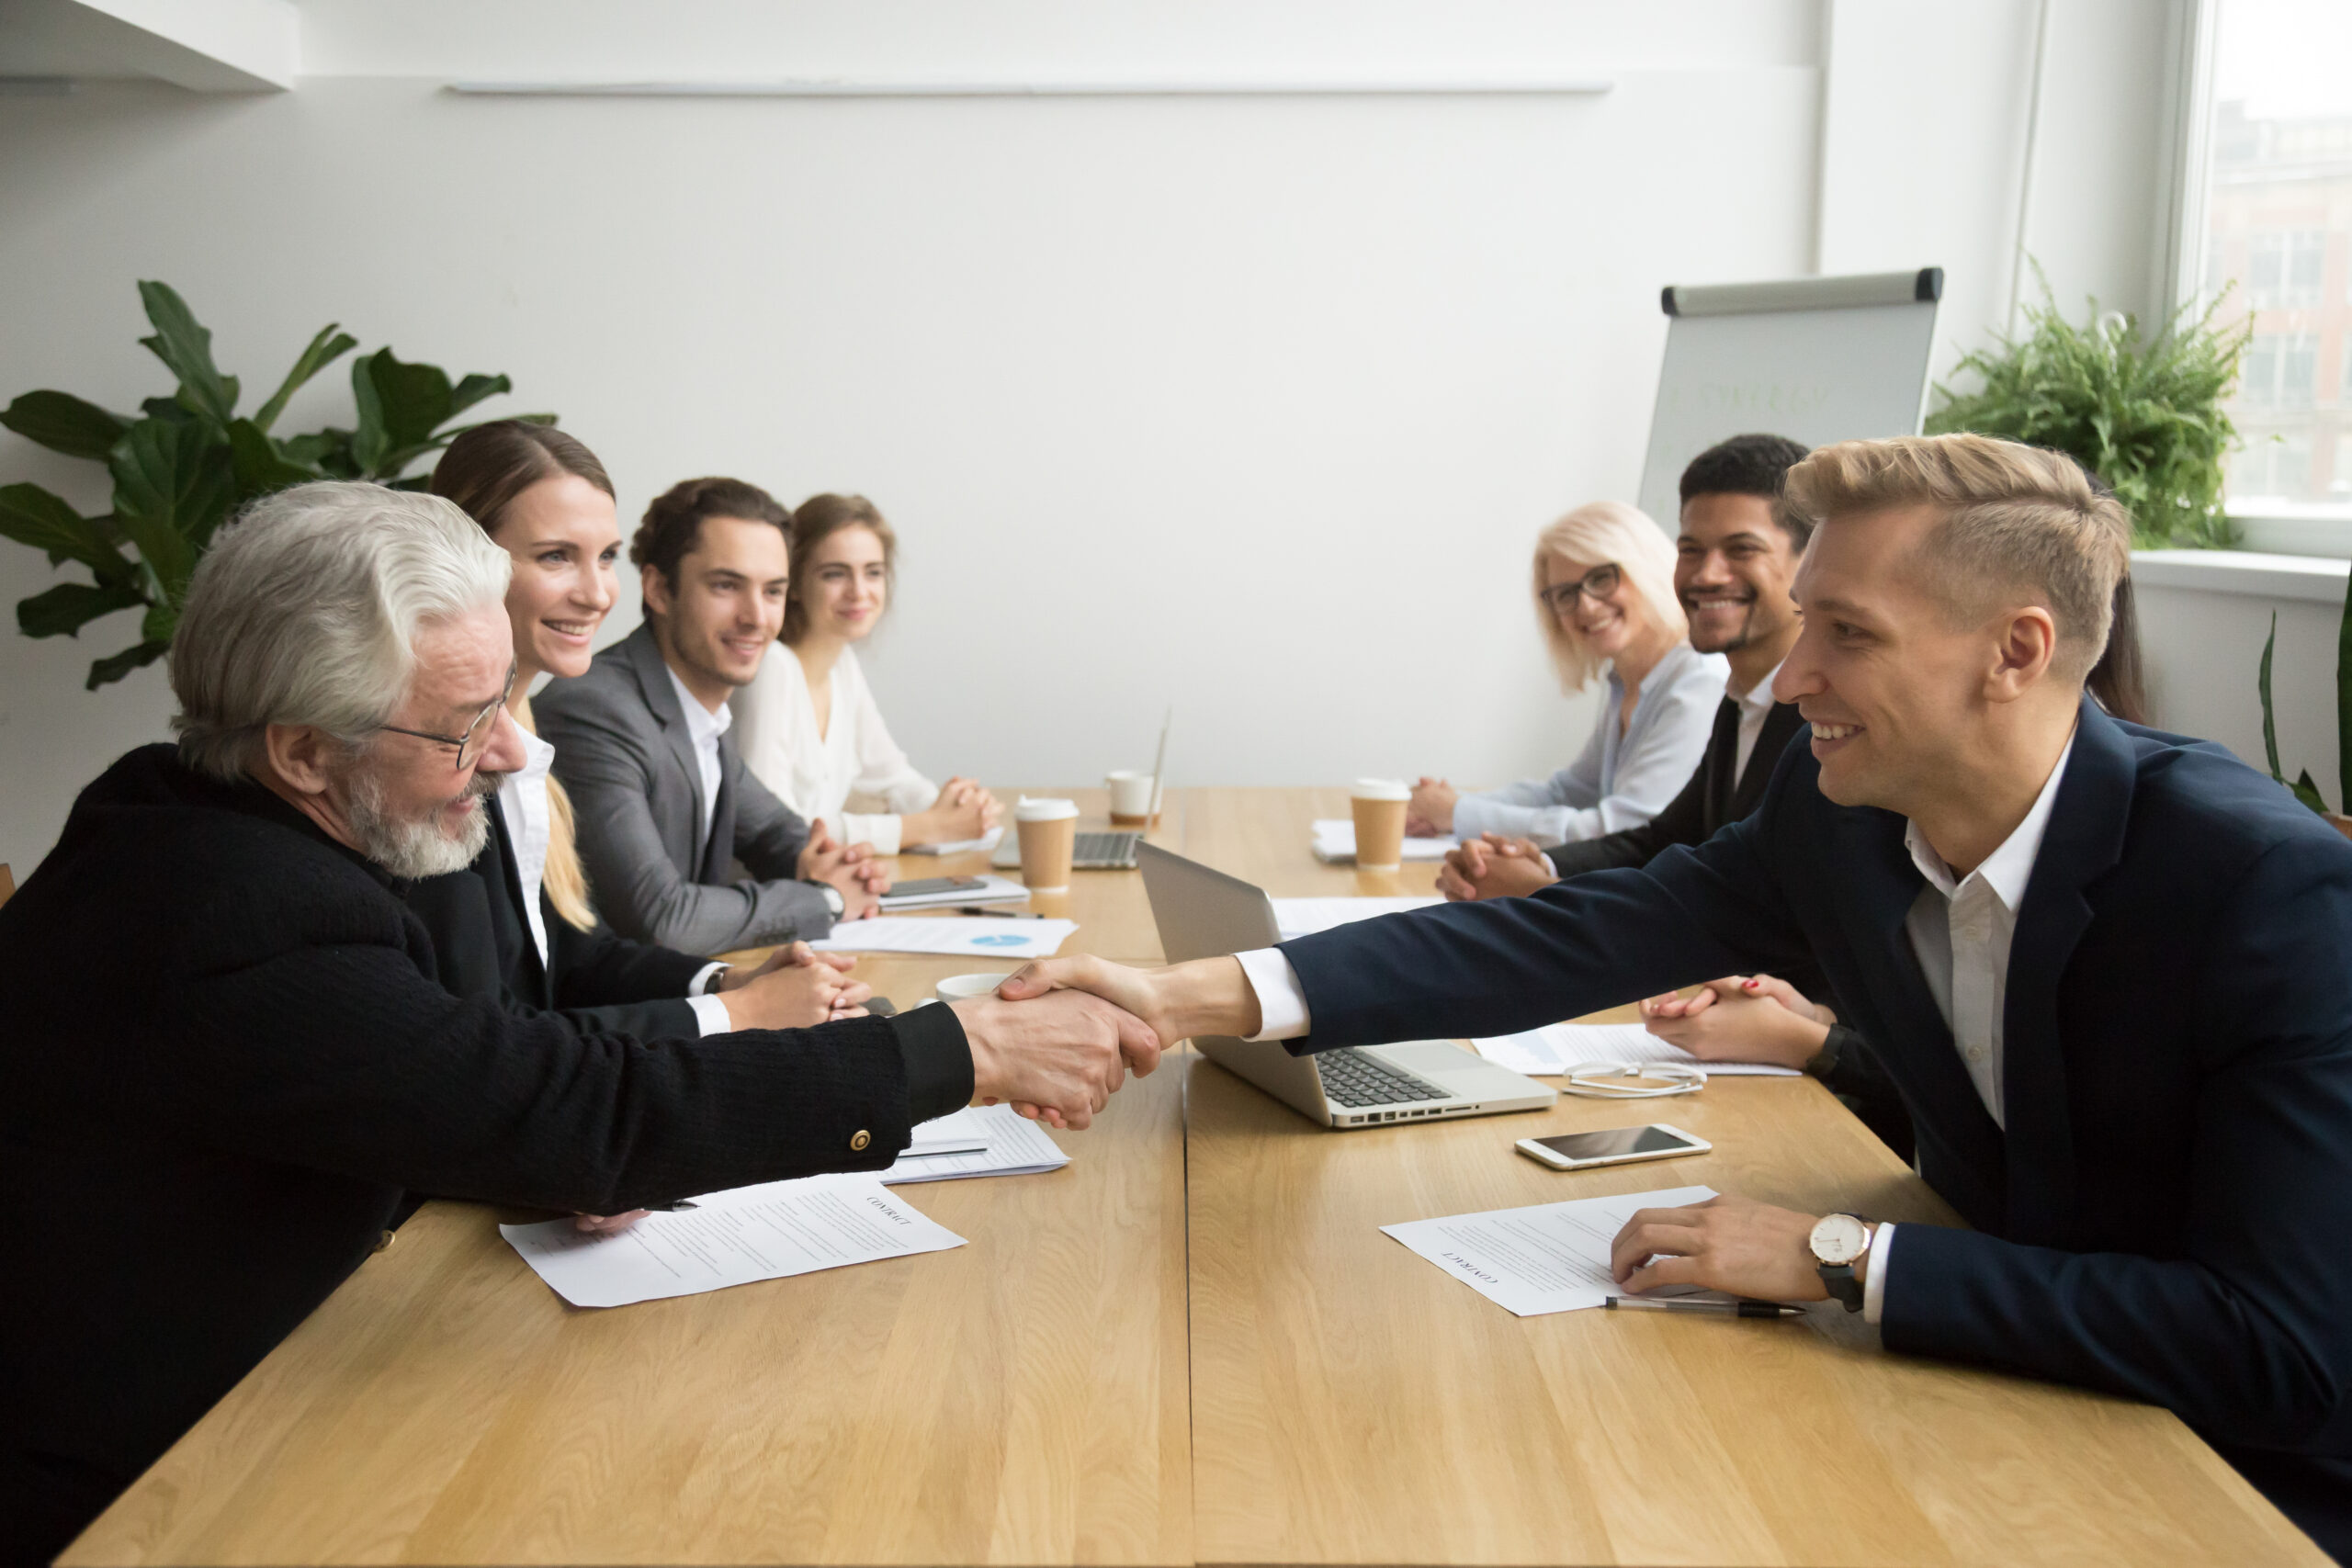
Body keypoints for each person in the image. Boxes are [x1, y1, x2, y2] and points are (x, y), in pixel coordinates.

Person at [1002, 434, 2352, 1559]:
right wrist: (1187, 994)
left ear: (2017, 649)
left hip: (2228, 1477)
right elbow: (1573, 936)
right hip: (1983, 1392)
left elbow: (2284, 1352)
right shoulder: (1837, 813)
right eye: (1806, 620)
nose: (1792, 675)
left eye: (1847, 633)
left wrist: (1843, 1259)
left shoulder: (2263, 890)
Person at [0, 482, 1159, 1564]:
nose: (513, 753)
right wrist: (968, 1050)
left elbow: (454, 1071)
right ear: (303, 750)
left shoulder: (196, 813)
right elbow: (564, 1100)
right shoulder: (237, 912)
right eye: (467, 725)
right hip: (142, 1491)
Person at [416, 422, 866, 1039]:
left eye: (605, 557)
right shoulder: (440, 756)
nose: (599, 593)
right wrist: (746, 1005)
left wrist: (727, 982)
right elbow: (500, 1035)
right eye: (556, 556)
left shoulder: (522, 734)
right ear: (463, 560)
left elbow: (570, 955)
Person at [537, 477, 890, 954]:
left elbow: (777, 835)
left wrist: (840, 866)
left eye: (773, 591)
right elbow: (663, 919)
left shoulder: (700, 708)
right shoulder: (595, 711)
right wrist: (826, 899)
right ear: (659, 589)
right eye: (726, 586)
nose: (756, 617)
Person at [1406, 501, 1725, 845]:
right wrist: (1448, 805)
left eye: (1601, 578)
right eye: (1565, 593)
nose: (1586, 605)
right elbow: (1569, 792)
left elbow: (1625, 829)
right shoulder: (1626, 681)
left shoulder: (1699, 681)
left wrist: (1457, 813)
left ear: (1647, 569)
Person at [731, 493, 1000, 854]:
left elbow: (892, 777)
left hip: (817, 882)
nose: (859, 592)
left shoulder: (841, 666)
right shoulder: (771, 668)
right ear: (793, 583)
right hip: (765, 886)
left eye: (873, 572)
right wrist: (926, 826)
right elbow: (777, 829)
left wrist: (960, 807)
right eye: (835, 574)